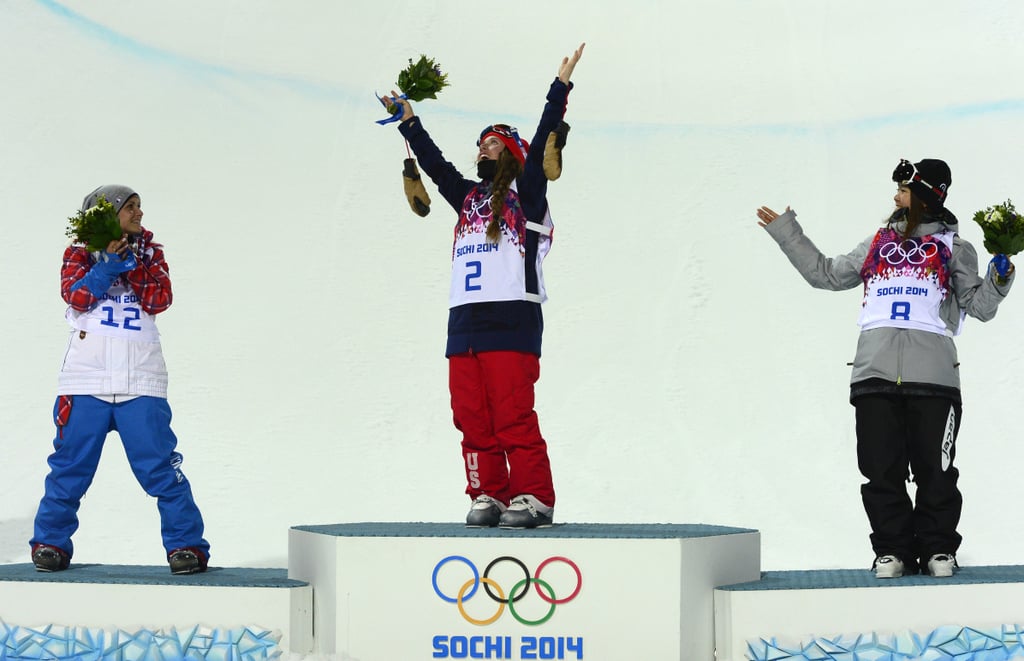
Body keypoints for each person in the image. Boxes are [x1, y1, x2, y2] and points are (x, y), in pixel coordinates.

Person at [757, 159, 1014, 578]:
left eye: (904, 190)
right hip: (873, 375)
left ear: (925, 195)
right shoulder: (877, 242)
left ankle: (938, 550)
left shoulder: (955, 247)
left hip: (934, 379)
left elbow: (979, 308)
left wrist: (999, 278)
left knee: (936, 470)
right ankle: (892, 550)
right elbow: (825, 275)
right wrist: (787, 232)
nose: (896, 197)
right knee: (880, 471)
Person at [381, 44, 584, 529]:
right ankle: (489, 492)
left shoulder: (527, 192)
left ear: (512, 153)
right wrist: (409, 121)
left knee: (513, 415)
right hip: (464, 321)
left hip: (511, 318)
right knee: (471, 416)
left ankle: (533, 496)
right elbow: (435, 165)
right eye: (480, 144)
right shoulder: (469, 198)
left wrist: (560, 87)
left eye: (491, 143)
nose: (481, 149)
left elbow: (540, 138)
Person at [30, 185, 211, 574]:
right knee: (69, 467)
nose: (139, 213)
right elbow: (76, 298)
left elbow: (159, 299)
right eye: (131, 207)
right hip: (85, 383)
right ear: (107, 212)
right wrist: (107, 264)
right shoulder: (78, 253)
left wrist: (131, 260)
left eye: (140, 206)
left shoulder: (150, 252)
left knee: (162, 468)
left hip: (140, 382)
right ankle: (50, 543)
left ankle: (186, 546)